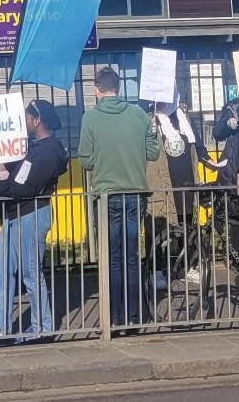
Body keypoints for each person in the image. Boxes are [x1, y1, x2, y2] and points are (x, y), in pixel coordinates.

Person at [78, 67, 160, 330]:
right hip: (135, 192)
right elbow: (153, 153)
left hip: (106, 196)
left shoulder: (90, 118)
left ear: (97, 89)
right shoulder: (138, 114)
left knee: (112, 258)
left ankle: (114, 317)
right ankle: (134, 315)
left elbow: (86, 160)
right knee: (132, 256)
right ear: (119, 88)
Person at [0, 99, 68, 342]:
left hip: (31, 214)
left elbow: (24, 187)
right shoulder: (34, 149)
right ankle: (1, 328)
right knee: (1, 269)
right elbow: (18, 179)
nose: (24, 122)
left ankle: (43, 327)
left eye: (27, 118)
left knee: (30, 272)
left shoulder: (47, 152)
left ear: (37, 121)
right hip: (16, 214)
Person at [146, 100, 215, 288]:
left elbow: (197, 144)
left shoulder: (182, 117)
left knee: (187, 226)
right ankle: (156, 270)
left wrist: (207, 160)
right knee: (158, 229)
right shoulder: (149, 118)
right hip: (162, 184)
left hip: (185, 182)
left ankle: (187, 266)